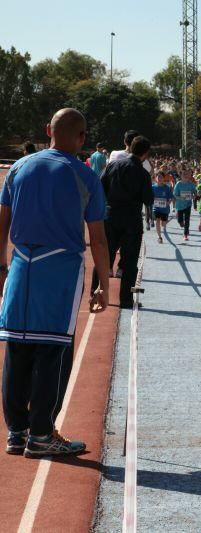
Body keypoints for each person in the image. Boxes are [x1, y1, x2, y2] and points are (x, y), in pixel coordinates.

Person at [1, 108, 109, 457]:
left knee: (17, 347)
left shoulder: (19, 168)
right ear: (82, 139)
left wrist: (2, 266)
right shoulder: (85, 175)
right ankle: (43, 434)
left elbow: (2, 221)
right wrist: (103, 284)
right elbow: (98, 238)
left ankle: (17, 431)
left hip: (21, 264)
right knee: (52, 350)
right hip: (60, 267)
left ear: (47, 129)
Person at [94, 135, 153, 309]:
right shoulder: (142, 173)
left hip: (110, 214)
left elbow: (100, 186)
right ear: (145, 153)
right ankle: (125, 299)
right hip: (131, 219)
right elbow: (148, 199)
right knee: (129, 261)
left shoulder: (114, 165)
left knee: (105, 255)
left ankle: (95, 292)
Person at [173, 168, 197, 242]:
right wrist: (180, 197)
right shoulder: (178, 184)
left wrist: (194, 196)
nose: (185, 175)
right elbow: (175, 195)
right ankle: (181, 222)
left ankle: (185, 234)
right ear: (181, 175)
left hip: (187, 205)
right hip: (179, 205)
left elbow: (195, 192)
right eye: (183, 174)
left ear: (189, 175)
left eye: (187, 174)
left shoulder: (191, 184)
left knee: (187, 220)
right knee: (180, 221)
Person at [151, 171, 173, 244]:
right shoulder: (153, 187)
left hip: (165, 209)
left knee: (163, 224)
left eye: (161, 177)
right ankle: (159, 237)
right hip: (156, 208)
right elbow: (149, 196)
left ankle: (167, 220)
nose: (159, 178)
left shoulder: (167, 188)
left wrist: (168, 202)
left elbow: (171, 198)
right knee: (157, 220)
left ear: (164, 178)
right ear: (155, 178)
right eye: (158, 177)